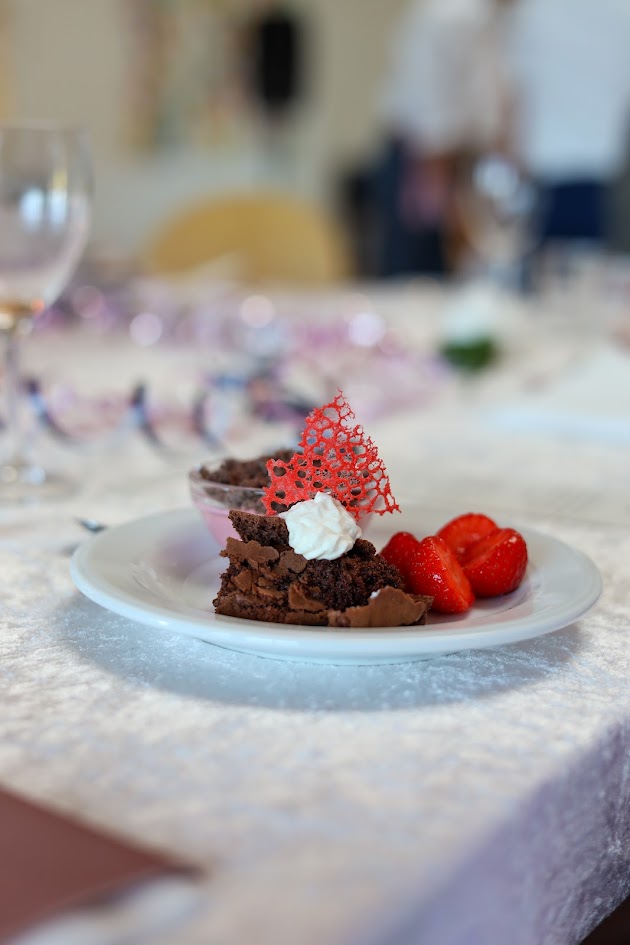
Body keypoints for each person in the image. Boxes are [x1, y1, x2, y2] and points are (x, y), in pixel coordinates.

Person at [374, 0, 513, 278]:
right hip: (426, 163)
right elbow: (428, 98)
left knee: (452, 274)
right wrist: (438, 176)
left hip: (456, 160)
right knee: (416, 280)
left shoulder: (492, 19)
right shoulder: (450, 13)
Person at [503, 0, 630, 249]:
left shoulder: (534, 11)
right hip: (604, 169)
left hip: (552, 173)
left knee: (550, 276)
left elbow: (513, 96)